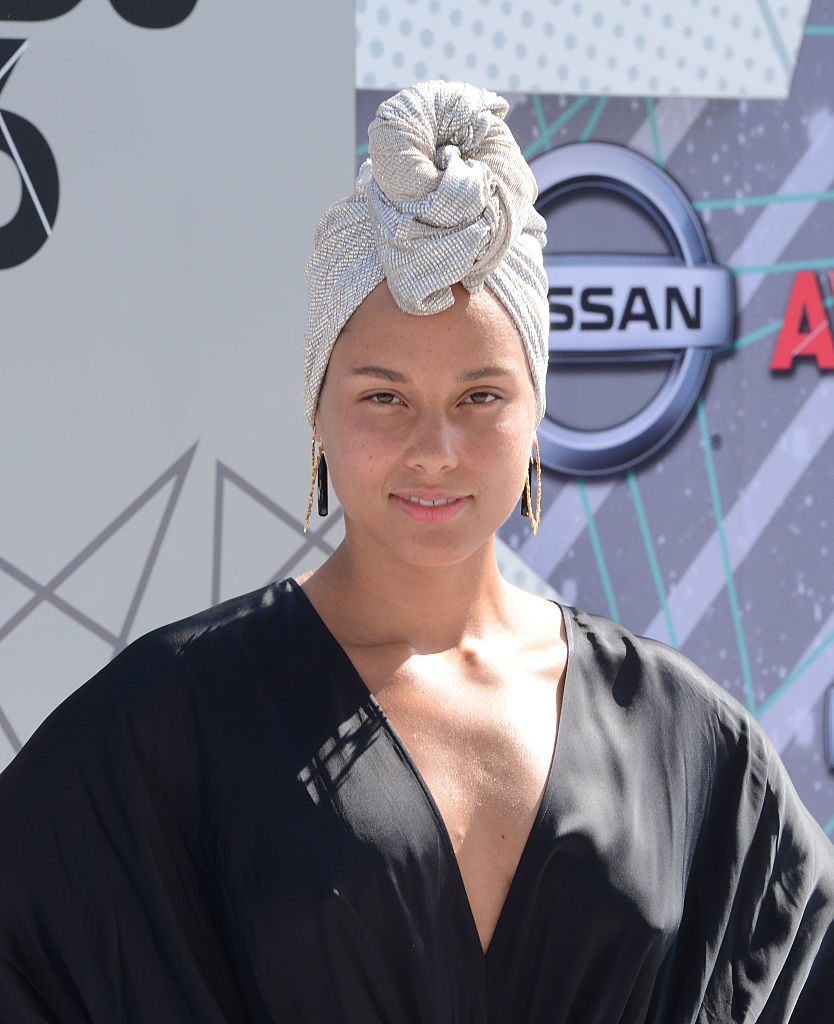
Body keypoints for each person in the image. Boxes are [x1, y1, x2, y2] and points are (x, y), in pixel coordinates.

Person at [0, 80, 832, 1024]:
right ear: (317, 406)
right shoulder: (176, 720)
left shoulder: (679, 740)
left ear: (536, 411)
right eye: (384, 397)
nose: (434, 449)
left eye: (481, 396)